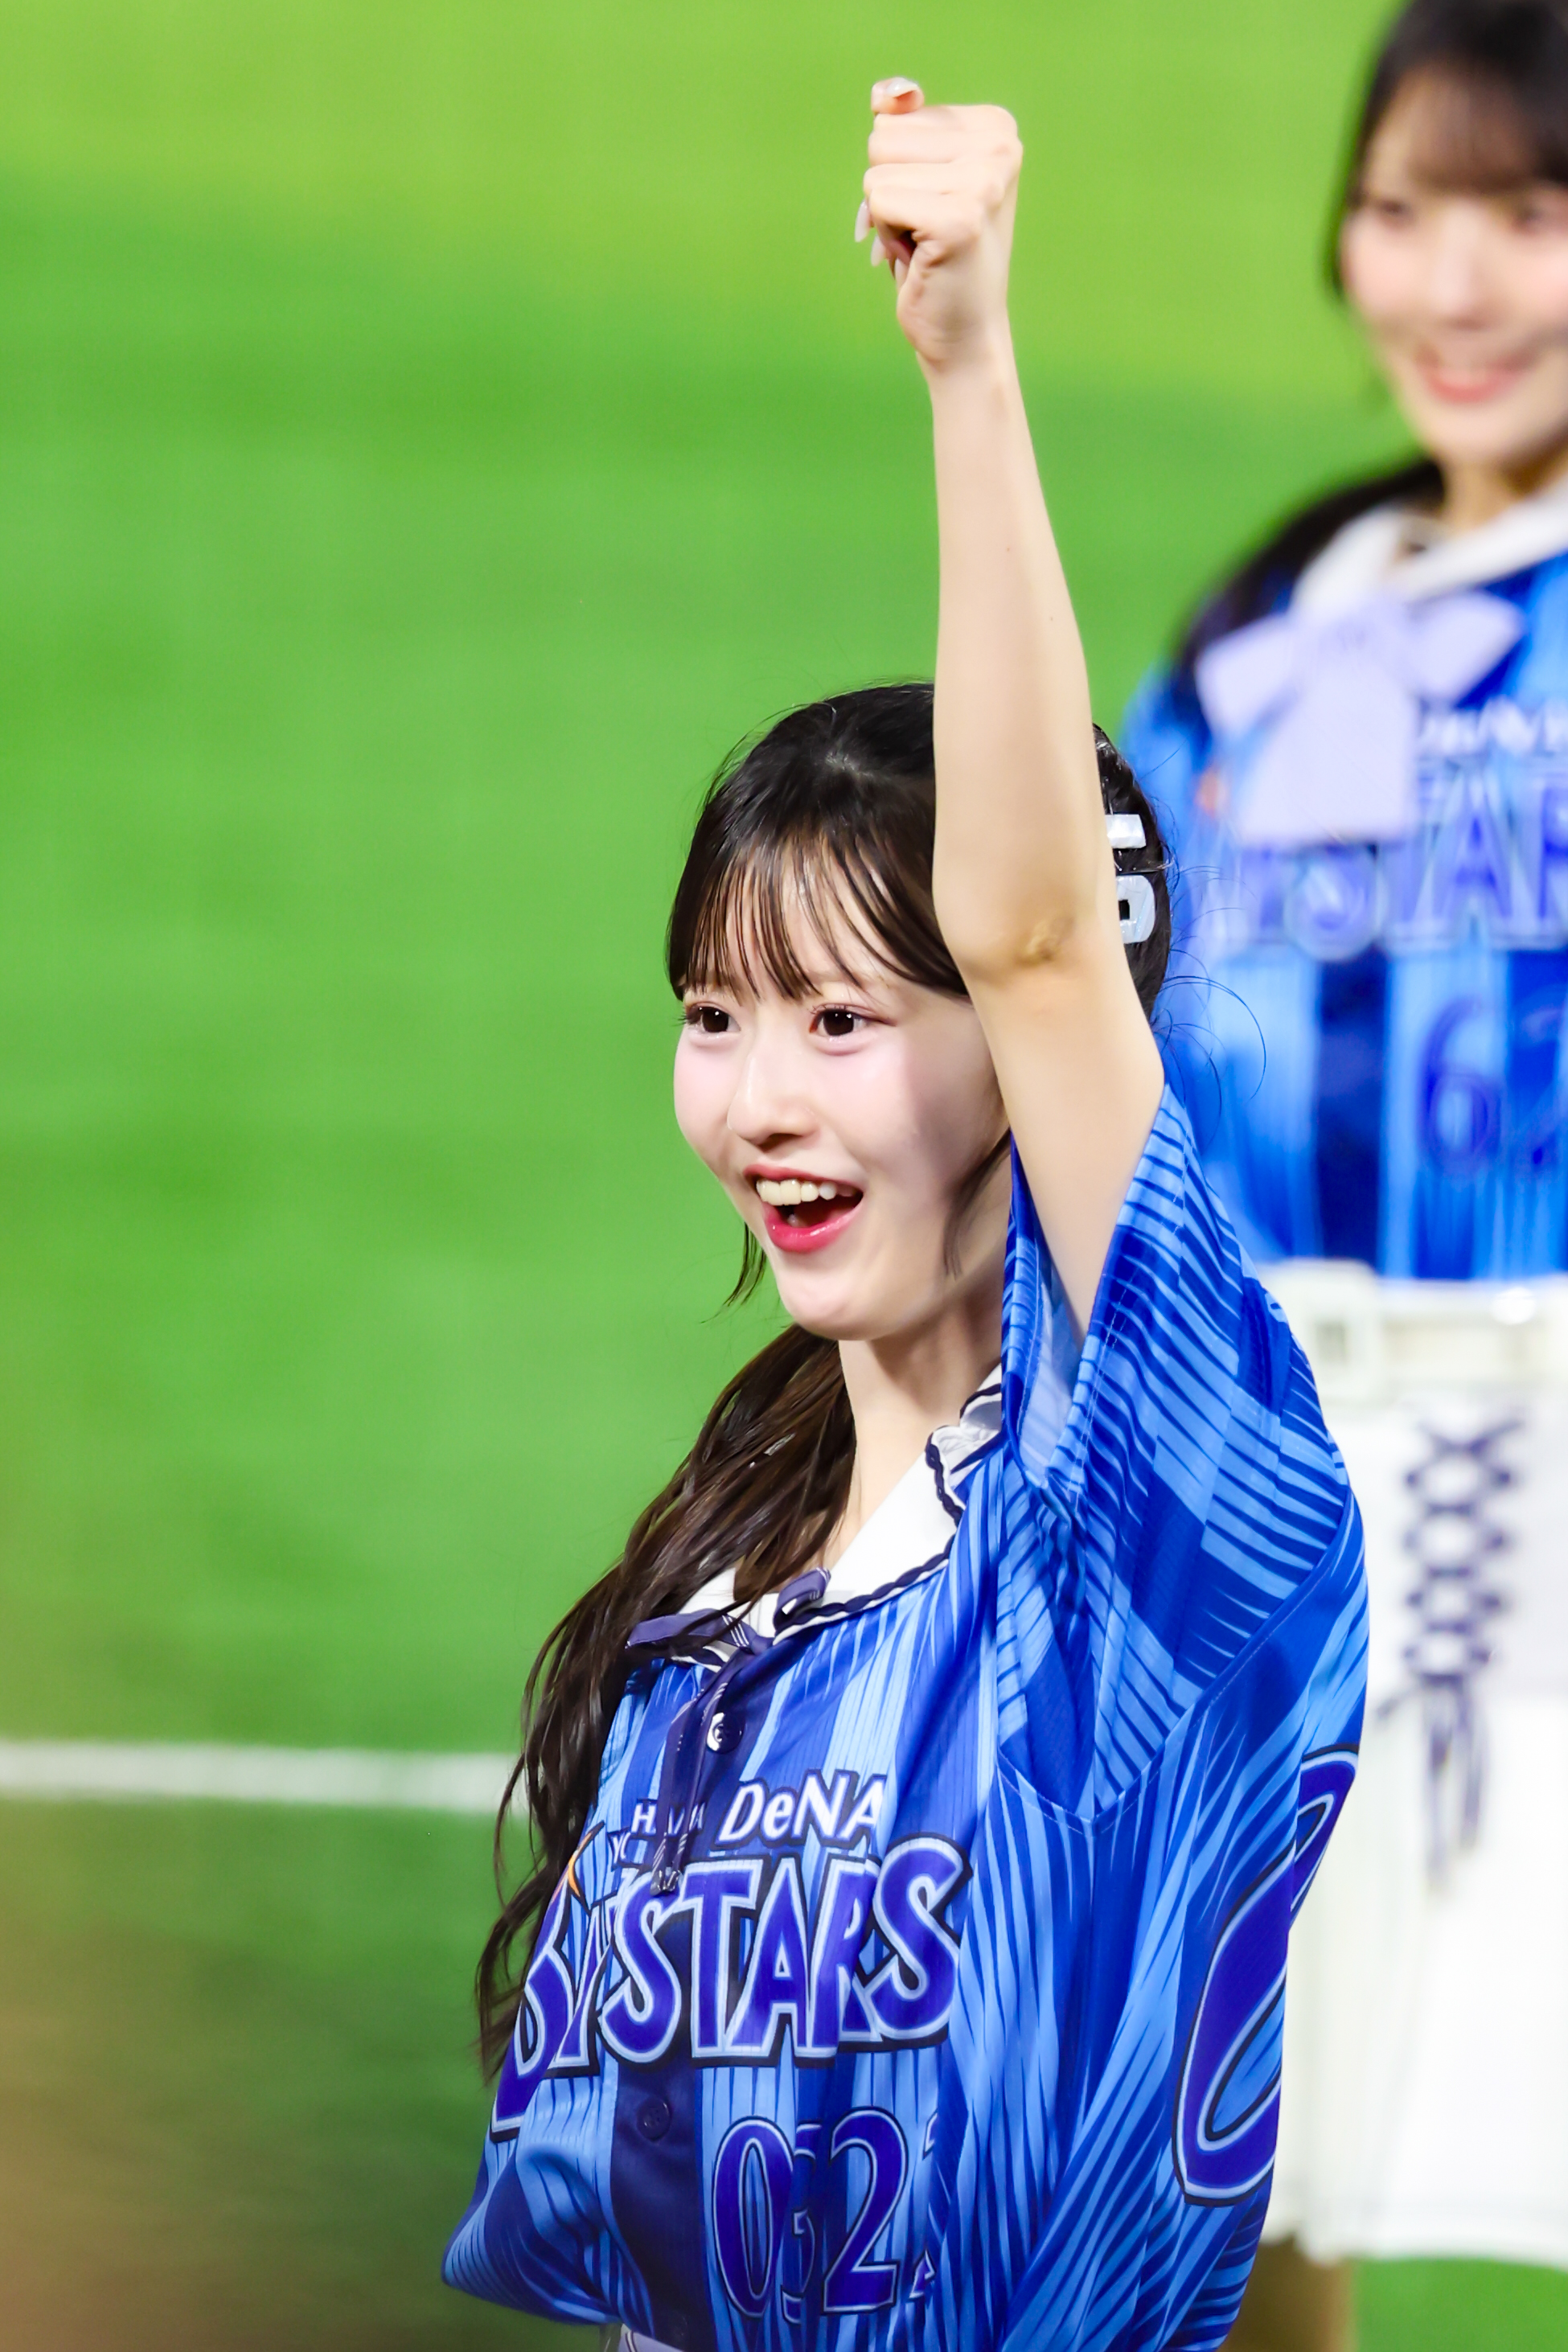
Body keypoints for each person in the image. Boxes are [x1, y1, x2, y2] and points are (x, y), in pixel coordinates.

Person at [444, 81, 1367, 2352]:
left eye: (846, 1020)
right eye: (714, 1016)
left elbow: (1044, 942)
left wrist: (968, 360)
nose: (761, 1099)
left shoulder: (1162, 1519)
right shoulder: (701, 1628)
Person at [1121, 2, 1568, 2341]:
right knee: (1257, 2117)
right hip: (1279, 1440)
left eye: (1527, 210)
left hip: (1544, 1425)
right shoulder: (1281, 622)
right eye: (1403, 211)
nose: (1455, 285)